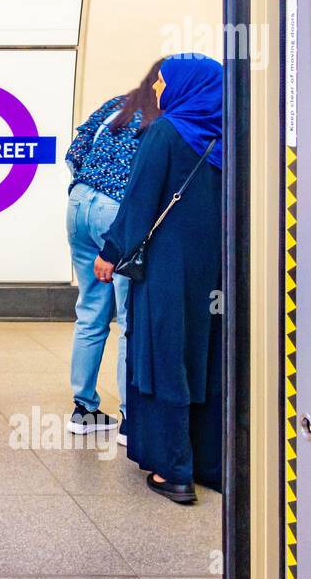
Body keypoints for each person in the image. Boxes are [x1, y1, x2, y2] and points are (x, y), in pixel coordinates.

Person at [96, 53, 223, 504]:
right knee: (208, 359)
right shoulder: (233, 137)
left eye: (165, 82)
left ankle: (174, 471)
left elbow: (140, 200)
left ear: (185, 86)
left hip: (169, 267)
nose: (160, 90)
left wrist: (111, 252)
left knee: (163, 355)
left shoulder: (167, 131)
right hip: (219, 271)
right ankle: (210, 463)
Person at [64, 60, 163, 436]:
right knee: (127, 318)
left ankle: (83, 410)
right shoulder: (163, 120)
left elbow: (75, 152)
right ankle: (129, 418)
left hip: (78, 205)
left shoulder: (116, 105)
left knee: (90, 309)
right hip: (115, 211)